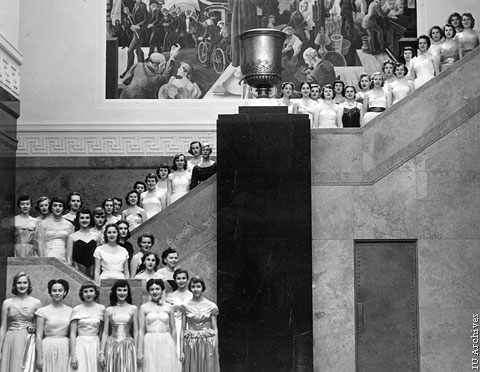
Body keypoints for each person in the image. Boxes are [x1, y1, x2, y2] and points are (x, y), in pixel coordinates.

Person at [0, 272, 41, 372]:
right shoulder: (7, 303)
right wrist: (0, 348)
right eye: (19, 283)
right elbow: (3, 327)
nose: (22, 286)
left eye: (25, 283)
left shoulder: (36, 303)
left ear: (29, 284)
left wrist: (32, 329)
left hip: (28, 339)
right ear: (15, 285)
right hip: (10, 339)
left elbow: (39, 327)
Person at [138, 279, 180, 372]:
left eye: (157, 289)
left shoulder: (168, 307)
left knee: (166, 367)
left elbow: (173, 329)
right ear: (148, 291)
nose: (155, 292)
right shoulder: (143, 307)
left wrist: (175, 348)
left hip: (166, 340)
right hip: (149, 341)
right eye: (152, 289)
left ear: (162, 290)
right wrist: (139, 350)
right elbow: (141, 330)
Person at [180, 276, 220, 372]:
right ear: (190, 288)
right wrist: (181, 351)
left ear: (203, 288)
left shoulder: (211, 306)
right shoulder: (185, 306)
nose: (196, 289)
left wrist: (216, 349)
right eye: (193, 286)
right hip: (191, 344)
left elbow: (215, 329)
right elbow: (182, 329)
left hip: (208, 343)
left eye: (198, 286)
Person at [99, 280, 138, 372]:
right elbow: (105, 332)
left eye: (125, 290)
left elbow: (136, 331)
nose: (122, 293)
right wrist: (101, 353)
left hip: (128, 344)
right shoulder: (109, 310)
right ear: (115, 292)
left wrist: (137, 349)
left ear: (128, 292)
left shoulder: (133, 309)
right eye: (119, 290)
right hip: (111, 344)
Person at [35, 279, 72, 372]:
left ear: (65, 292)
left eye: (60, 290)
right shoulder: (42, 311)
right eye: (54, 290)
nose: (57, 293)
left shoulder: (71, 311)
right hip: (47, 345)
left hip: (64, 346)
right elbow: (38, 336)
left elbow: (73, 334)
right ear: (50, 293)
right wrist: (39, 357)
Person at [68, 282, 105, 372]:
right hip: (80, 344)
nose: (88, 294)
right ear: (82, 294)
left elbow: (102, 332)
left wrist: (101, 352)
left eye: (91, 291)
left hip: (95, 344)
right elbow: (72, 334)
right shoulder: (76, 309)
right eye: (85, 291)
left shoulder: (102, 309)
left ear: (95, 293)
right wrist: (73, 355)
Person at [35, 197, 74, 262]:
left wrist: (69, 261)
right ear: (51, 208)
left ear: (63, 208)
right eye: (55, 205)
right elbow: (40, 244)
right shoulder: (43, 224)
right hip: (47, 258)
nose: (57, 208)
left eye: (60, 206)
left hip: (63, 259)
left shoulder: (69, 225)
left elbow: (70, 246)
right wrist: (43, 260)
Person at [120, 0, 149, 79]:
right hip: (135, 32)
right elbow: (134, 18)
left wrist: (138, 26)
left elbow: (146, 19)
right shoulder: (135, 5)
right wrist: (128, 13)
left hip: (140, 32)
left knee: (130, 50)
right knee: (138, 50)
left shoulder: (142, 6)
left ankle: (129, 71)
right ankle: (142, 71)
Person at [166, 269, 192, 356]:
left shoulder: (192, 295)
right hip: (174, 326)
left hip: (189, 326)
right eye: (179, 278)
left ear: (187, 279)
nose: (181, 281)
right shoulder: (170, 296)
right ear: (175, 280)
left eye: (183, 278)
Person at [66, 208, 99, 277]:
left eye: (87, 218)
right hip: (77, 270)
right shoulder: (72, 237)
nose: (84, 220)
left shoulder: (96, 236)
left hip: (93, 270)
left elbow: (98, 258)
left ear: (90, 219)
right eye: (82, 218)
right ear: (78, 219)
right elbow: (69, 259)